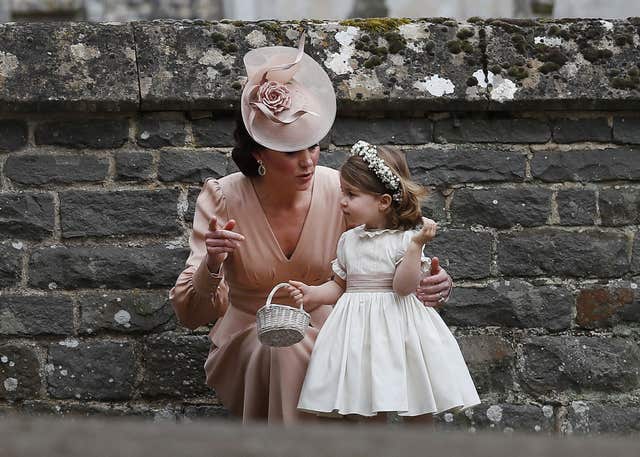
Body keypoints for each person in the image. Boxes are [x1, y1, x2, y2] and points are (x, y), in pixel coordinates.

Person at [169, 33, 454, 424]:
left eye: (314, 145)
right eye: (291, 151)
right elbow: (190, 312)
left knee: (337, 354)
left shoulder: (343, 192)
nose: (307, 161)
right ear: (258, 154)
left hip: (340, 334)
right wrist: (213, 263)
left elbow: (394, 247)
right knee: (283, 349)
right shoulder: (223, 198)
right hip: (252, 338)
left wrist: (436, 282)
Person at [289, 141, 480, 421]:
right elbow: (340, 285)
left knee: (416, 402)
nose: (342, 201)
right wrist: (313, 294)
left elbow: (403, 288)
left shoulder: (405, 240)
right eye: (343, 192)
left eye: (351, 194)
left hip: (401, 330)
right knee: (364, 403)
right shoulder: (348, 241)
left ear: (383, 201)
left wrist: (416, 247)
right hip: (358, 334)